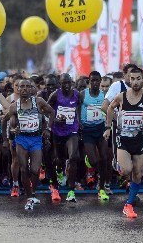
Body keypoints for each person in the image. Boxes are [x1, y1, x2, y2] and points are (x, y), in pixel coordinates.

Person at [104, 66, 143, 218]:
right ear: (128, 79)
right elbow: (109, 108)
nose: (135, 82)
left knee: (138, 173)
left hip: (140, 141)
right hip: (124, 140)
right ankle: (119, 167)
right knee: (127, 170)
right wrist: (108, 127)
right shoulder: (121, 96)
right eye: (132, 79)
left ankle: (128, 204)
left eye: (138, 79)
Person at [6, 79, 54, 211]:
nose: (25, 89)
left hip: (36, 139)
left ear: (32, 88)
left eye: (28, 86)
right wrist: (9, 134)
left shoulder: (38, 101)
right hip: (21, 140)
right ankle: (30, 197)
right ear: (17, 89)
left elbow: (52, 112)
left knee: (35, 170)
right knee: (23, 169)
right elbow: (5, 121)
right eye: (22, 87)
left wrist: (47, 129)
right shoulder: (14, 106)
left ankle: (32, 191)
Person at [47, 73, 83, 203]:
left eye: (68, 83)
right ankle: (59, 170)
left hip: (71, 130)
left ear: (71, 83)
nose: (66, 86)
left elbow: (78, 106)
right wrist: (55, 119)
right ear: (59, 84)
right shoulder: (55, 95)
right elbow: (46, 109)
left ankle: (71, 190)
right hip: (57, 132)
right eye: (63, 83)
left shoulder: (77, 94)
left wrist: (79, 120)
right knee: (58, 159)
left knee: (73, 157)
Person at [79, 71, 110, 200]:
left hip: (100, 128)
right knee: (93, 160)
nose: (95, 83)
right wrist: (79, 122)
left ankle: (101, 187)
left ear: (100, 81)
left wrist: (108, 125)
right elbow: (76, 108)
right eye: (92, 80)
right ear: (89, 81)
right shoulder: (83, 94)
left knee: (104, 158)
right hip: (87, 130)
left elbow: (110, 110)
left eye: (97, 80)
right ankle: (92, 165)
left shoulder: (105, 95)